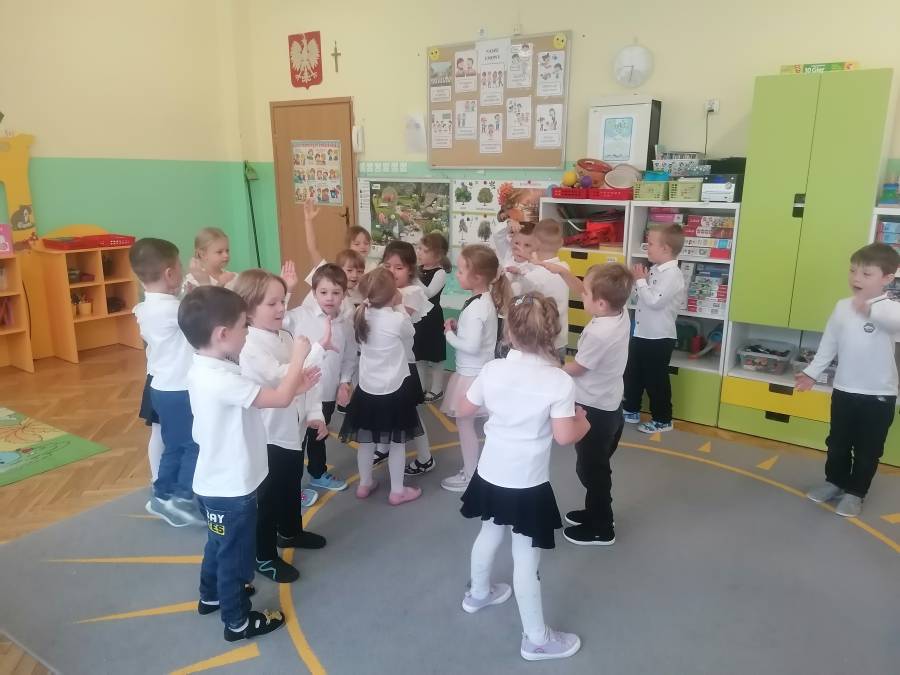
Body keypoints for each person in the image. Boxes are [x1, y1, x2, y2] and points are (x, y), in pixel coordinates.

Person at [179, 285, 320, 642]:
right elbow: (280, 398)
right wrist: (299, 357)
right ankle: (238, 621)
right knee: (237, 558)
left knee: (218, 546)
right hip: (232, 491)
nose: (248, 332)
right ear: (222, 335)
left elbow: (271, 396)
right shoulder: (221, 379)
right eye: (244, 326)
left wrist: (296, 386)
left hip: (215, 483)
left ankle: (211, 595)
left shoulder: (207, 366)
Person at [456, 292, 589, 662]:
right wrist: (584, 422)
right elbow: (565, 436)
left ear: (508, 333)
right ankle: (537, 639)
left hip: (490, 473)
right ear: (552, 333)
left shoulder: (492, 370)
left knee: (489, 532)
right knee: (526, 558)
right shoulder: (558, 381)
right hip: (526, 484)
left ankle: (478, 594)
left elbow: (464, 409)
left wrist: (499, 404)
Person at [232, 269, 330, 584]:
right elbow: (281, 376)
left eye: (282, 301)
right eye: (271, 303)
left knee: (291, 484)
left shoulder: (285, 337)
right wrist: (315, 350)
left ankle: (289, 532)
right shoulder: (249, 345)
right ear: (248, 310)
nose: (280, 308)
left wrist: (315, 413)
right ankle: (263, 555)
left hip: (293, 431)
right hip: (268, 436)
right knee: (269, 498)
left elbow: (308, 380)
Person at [797, 243, 900, 518]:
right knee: (837, 443)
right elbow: (829, 343)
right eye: (853, 271)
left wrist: (870, 311)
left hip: (879, 395)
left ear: (888, 278)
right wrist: (811, 372)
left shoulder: (892, 309)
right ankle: (835, 482)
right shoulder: (842, 307)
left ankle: (856, 492)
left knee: (868, 450)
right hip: (844, 390)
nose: (856, 278)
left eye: (866, 273)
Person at [540, 260, 634, 545]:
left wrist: (551, 368)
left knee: (591, 470)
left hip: (594, 410)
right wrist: (564, 273)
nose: (582, 294)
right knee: (597, 465)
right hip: (610, 405)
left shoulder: (599, 334)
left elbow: (579, 368)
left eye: (587, 293)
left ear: (601, 303)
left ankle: (602, 527)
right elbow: (586, 289)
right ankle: (596, 511)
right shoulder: (620, 312)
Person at [130, 238, 204, 528]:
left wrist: (186, 295)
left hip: (160, 387)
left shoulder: (145, 308)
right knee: (194, 444)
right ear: (171, 273)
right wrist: (198, 291)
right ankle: (183, 498)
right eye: (180, 266)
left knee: (173, 445)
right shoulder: (174, 310)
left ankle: (162, 494)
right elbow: (201, 319)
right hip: (179, 390)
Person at [338, 268, 424, 506]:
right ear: (393, 294)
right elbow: (410, 333)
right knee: (397, 443)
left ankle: (364, 484)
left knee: (366, 442)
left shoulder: (362, 314)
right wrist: (399, 306)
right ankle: (397, 491)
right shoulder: (396, 319)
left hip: (367, 391)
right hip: (394, 391)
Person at [440, 245, 510, 492]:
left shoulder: (478, 306)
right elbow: (477, 335)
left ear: (478, 277)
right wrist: (459, 327)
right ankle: (479, 470)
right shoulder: (482, 300)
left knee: (465, 425)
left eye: (461, 271)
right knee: (475, 425)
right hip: (478, 372)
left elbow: (470, 346)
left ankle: (470, 475)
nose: (457, 275)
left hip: (471, 375)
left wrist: (449, 334)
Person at [285, 264, 359, 494]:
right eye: (323, 292)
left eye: (336, 292)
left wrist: (344, 382)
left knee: (318, 436)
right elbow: (278, 319)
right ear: (314, 292)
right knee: (296, 442)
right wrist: (288, 290)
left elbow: (349, 357)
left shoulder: (345, 324)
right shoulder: (300, 315)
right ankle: (292, 487)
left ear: (344, 294)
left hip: (325, 393)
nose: (329, 298)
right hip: (298, 394)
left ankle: (318, 473)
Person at [623, 224, 686, 433]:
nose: (646, 247)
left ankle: (662, 419)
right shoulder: (656, 270)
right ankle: (631, 409)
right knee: (633, 373)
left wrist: (641, 281)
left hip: (659, 338)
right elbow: (642, 297)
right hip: (642, 333)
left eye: (650, 244)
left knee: (655, 380)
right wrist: (639, 282)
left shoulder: (673, 275)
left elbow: (654, 301)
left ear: (665, 248)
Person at [382, 240, 436, 475]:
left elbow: (400, 319)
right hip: (385, 364)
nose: (392, 272)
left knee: (411, 414)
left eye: (399, 267)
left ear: (411, 270)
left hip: (404, 364)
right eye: (387, 266)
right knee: (385, 408)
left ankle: (425, 457)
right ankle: (383, 448)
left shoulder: (413, 292)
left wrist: (382, 293)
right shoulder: (384, 291)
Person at [517, 219, 570, 361]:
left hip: (538, 340)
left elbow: (519, 300)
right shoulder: (565, 268)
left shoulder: (532, 277)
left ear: (535, 243)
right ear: (561, 243)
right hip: (560, 339)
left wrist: (521, 273)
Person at [414, 232, 451, 401]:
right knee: (419, 355)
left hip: (433, 318)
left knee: (436, 356)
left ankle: (437, 389)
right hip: (417, 316)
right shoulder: (418, 270)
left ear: (437, 255)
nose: (419, 253)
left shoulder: (440, 273)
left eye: (425, 250)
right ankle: (420, 388)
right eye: (419, 249)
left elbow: (428, 293)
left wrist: (414, 277)